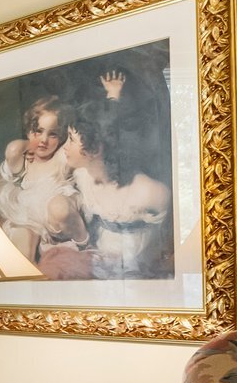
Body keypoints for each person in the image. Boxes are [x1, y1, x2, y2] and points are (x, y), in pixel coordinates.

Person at [51, 97, 172, 280]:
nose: (65, 146)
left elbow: (171, 239)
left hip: (138, 269)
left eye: (71, 139)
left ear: (95, 149)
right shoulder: (82, 175)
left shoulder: (149, 192)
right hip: (101, 261)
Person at [0, 94, 81, 259]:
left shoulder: (60, 158)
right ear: (28, 131)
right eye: (38, 131)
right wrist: (29, 145)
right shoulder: (25, 161)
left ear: (62, 137)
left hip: (53, 224)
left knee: (59, 210)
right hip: (26, 220)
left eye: (53, 134)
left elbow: (88, 134)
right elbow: (13, 149)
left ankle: (83, 244)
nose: (44, 140)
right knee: (23, 254)